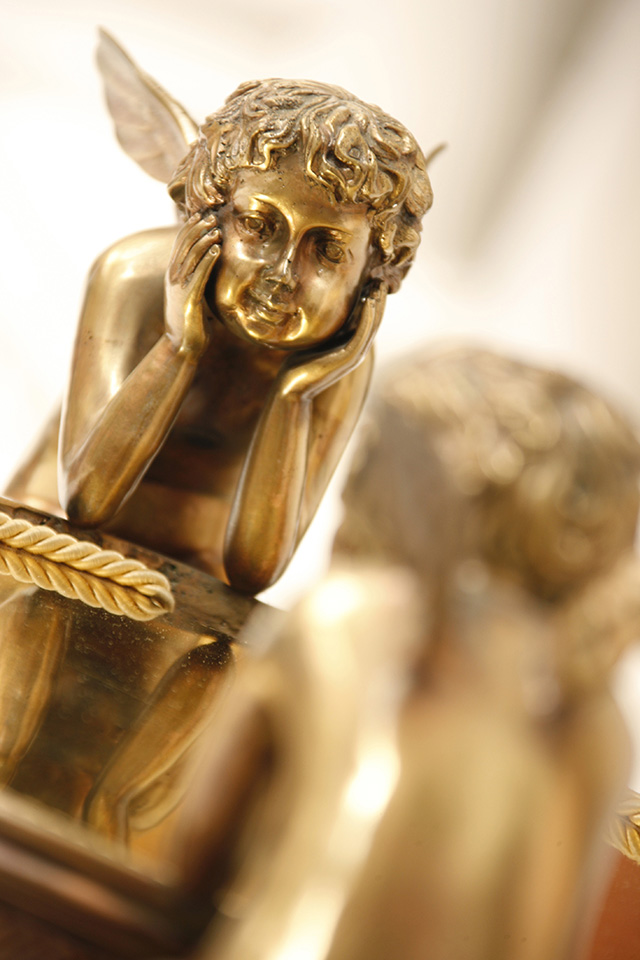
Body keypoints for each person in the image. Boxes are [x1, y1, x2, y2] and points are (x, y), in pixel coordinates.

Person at [7, 35, 433, 594]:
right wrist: (178, 344)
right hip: (48, 524)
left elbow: (255, 572)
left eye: (328, 250)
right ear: (207, 216)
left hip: (193, 573)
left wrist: (295, 395)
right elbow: (85, 501)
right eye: (258, 225)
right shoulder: (135, 277)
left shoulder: (337, 354)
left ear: (371, 279)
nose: (284, 273)